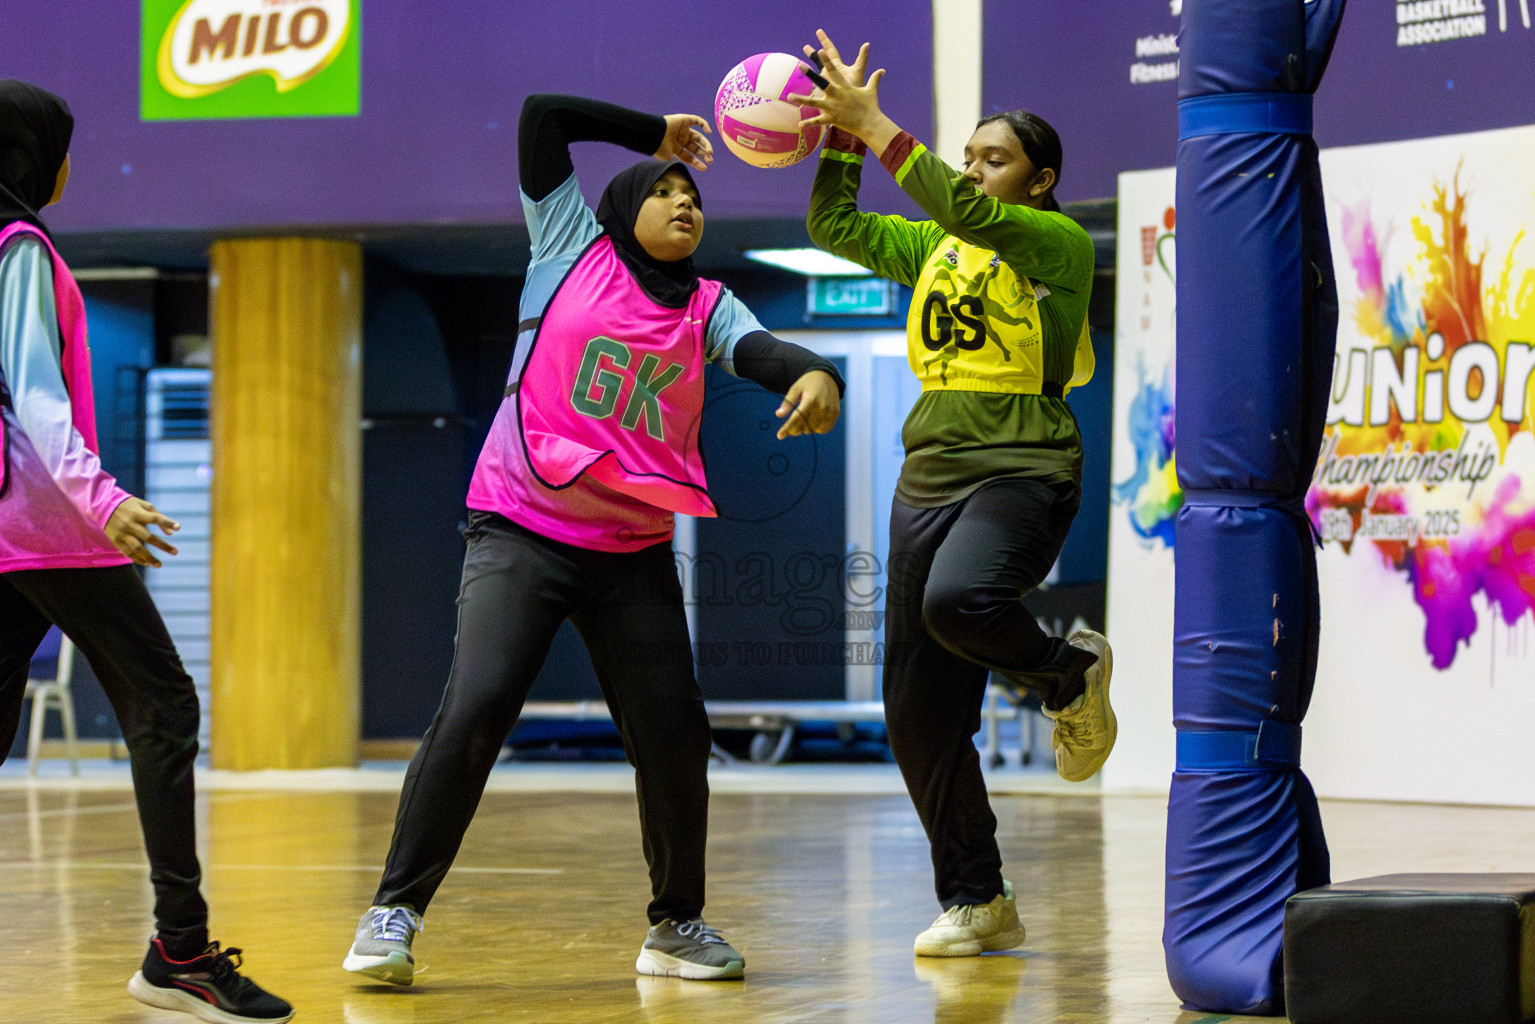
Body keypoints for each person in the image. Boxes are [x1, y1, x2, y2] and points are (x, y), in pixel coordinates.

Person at [342, 93, 842, 985]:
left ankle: (676, 925)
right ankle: (393, 913)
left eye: (694, 196)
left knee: (673, 732)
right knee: (476, 707)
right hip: (521, 526)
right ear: (625, 207)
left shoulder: (708, 305)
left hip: (630, 549)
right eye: (665, 190)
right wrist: (655, 134)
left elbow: (766, 353)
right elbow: (539, 116)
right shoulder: (569, 245)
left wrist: (817, 373)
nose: (685, 202)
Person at [793, 31, 1115, 957]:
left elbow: (966, 211)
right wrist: (840, 139)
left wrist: (879, 127)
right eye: (966, 155)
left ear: (1040, 181)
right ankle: (978, 897)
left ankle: (1068, 674)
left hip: (1024, 466)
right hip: (927, 473)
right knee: (915, 710)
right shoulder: (936, 244)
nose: (973, 169)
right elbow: (834, 228)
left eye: (993, 158)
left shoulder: (1054, 243)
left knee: (959, 600)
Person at [0, 80, 293, 1023]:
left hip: (8, 530)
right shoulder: (19, 247)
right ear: (33, 156)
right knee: (164, 709)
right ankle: (180, 953)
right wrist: (103, 499)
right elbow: (36, 396)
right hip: (47, 529)